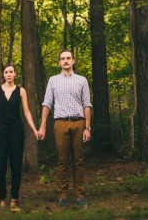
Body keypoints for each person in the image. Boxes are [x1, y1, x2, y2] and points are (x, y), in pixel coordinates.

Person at [37, 49, 92, 208]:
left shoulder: (82, 80)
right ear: (59, 62)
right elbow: (47, 104)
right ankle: (62, 195)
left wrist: (87, 127)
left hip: (79, 123)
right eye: (63, 58)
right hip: (60, 123)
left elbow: (87, 104)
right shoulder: (53, 81)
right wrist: (42, 127)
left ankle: (80, 195)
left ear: (73, 61)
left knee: (78, 160)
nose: (66, 61)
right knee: (62, 161)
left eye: (68, 58)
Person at [0, 64, 38, 211]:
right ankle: (2, 197)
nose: (9, 74)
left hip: (16, 130)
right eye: (6, 72)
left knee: (16, 165)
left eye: (11, 72)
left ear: (15, 74)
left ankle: (14, 197)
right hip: (1, 131)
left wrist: (34, 129)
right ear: (3, 74)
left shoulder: (21, 91)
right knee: (0, 164)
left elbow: (27, 112)